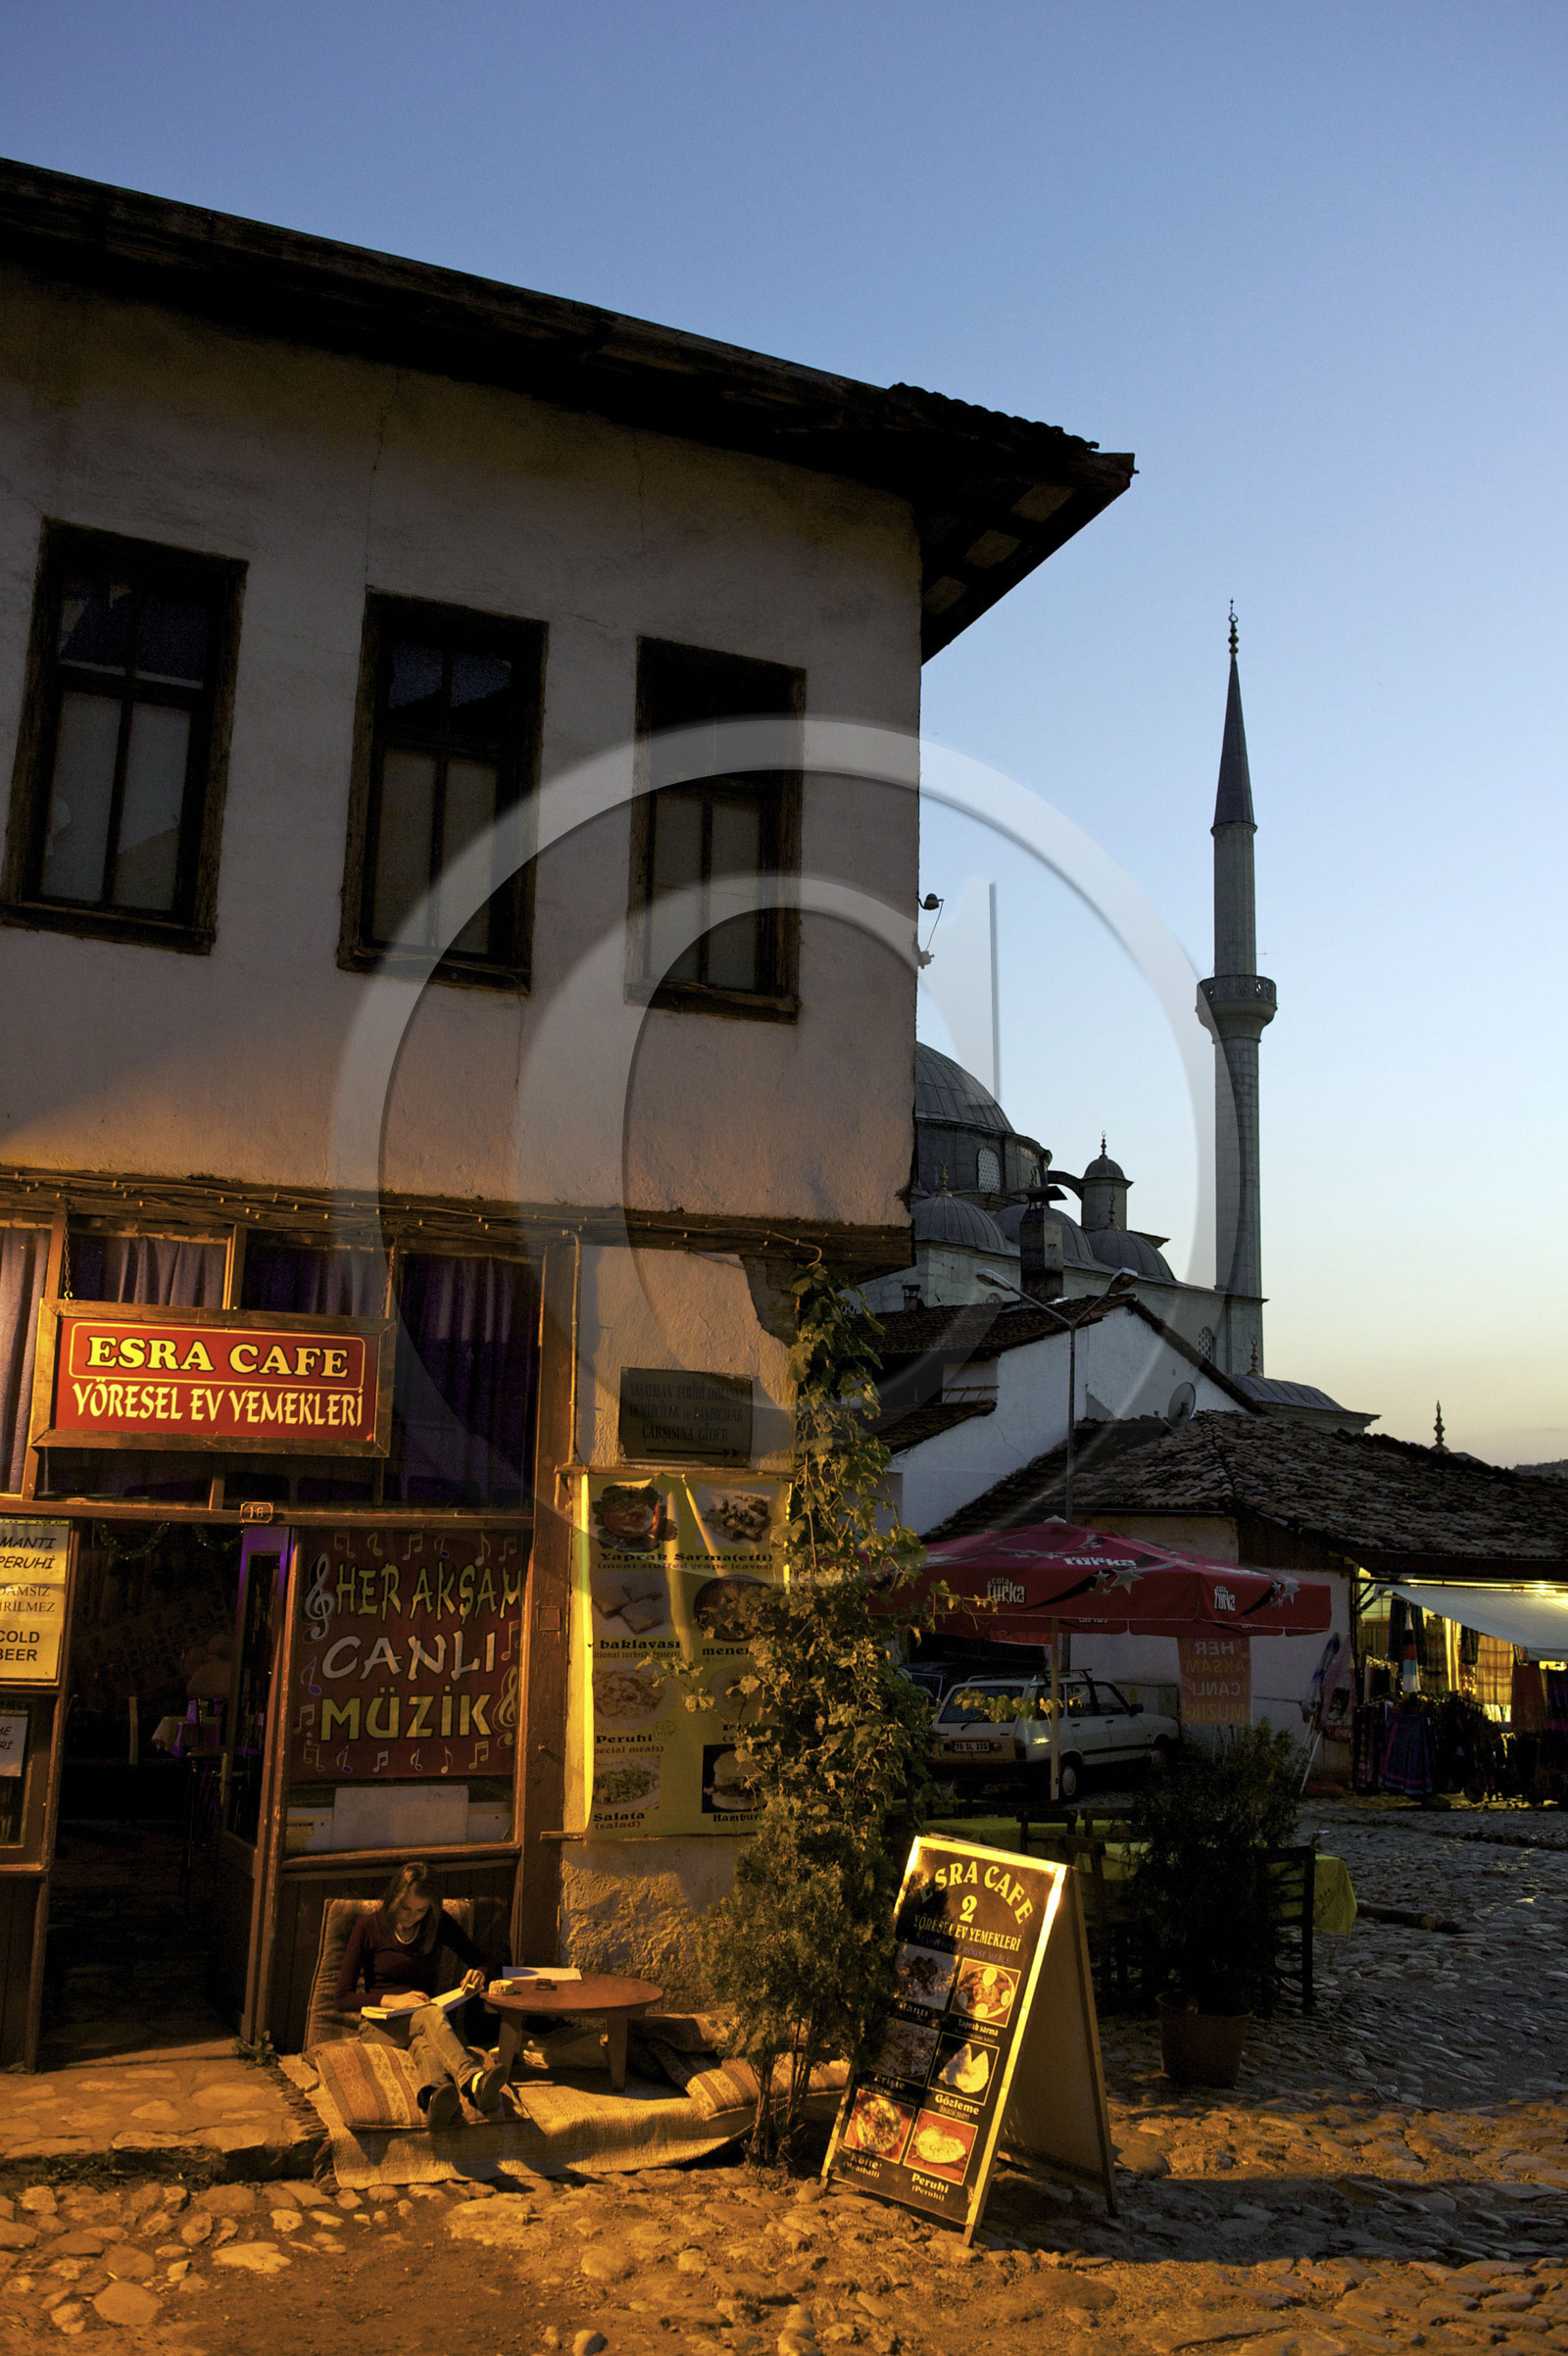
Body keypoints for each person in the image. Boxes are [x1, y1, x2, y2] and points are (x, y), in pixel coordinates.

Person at [334, 1860, 507, 2129]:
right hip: (379, 2024)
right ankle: (473, 2080)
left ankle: (434, 2098)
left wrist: (480, 1973)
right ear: (394, 1898)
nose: (411, 1916)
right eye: (405, 1908)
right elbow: (342, 1997)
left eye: (420, 1911)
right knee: (429, 2015)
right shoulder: (368, 1927)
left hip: (421, 2021)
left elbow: (484, 1960)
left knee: (424, 2045)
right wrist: (391, 2000)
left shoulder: (436, 1924)